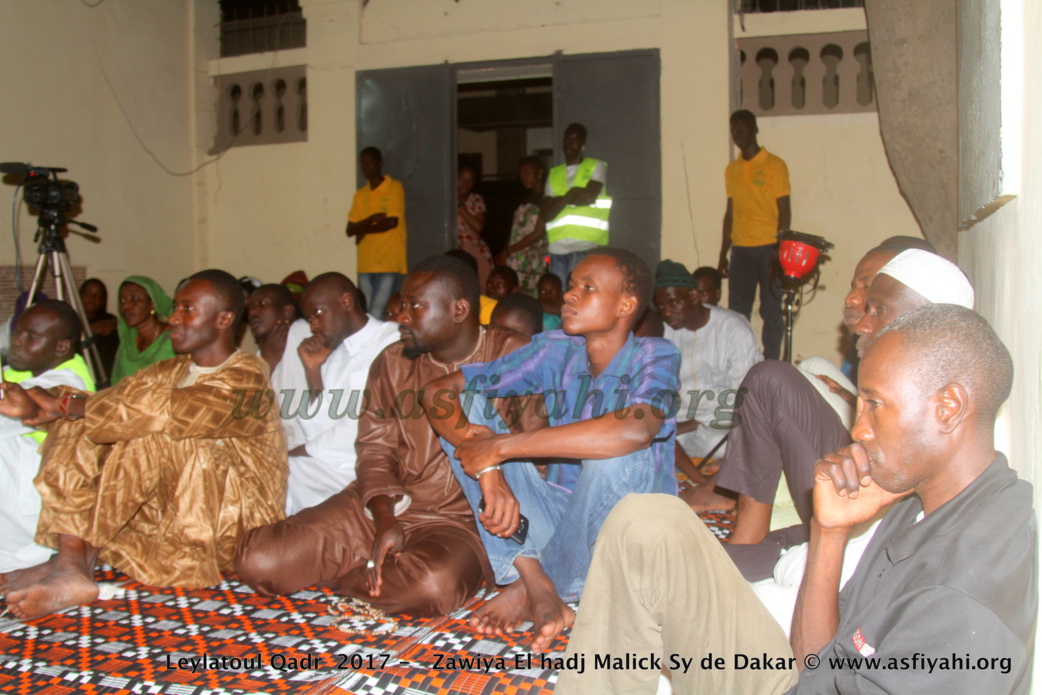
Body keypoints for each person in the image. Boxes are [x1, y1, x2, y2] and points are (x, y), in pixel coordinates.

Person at [559, 304, 1036, 695]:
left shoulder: (961, 597)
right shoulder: (923, 499)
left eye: (874, 404)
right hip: (801, 682)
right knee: (647, 522)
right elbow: (815, 662)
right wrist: (830, 532)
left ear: (948, 407)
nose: (859, 428)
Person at [234, 255, 530, 617]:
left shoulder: (514, 356)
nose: (401, 317)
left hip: (461, 521)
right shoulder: (393, 361)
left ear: (459, 309)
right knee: (258, 560)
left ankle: (355, 573)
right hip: (382, 504)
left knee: (432, 585)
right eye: (402, 305)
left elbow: (539, 459)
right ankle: (372, 570)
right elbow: (374, 449)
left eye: (414, 306)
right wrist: (384, 516)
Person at [422, 248, 680, 651]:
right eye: (571, 284)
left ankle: (535, 587)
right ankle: (541, 582)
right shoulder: (558, 349)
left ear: (626, 305)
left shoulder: (656, 355)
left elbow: (636, 431)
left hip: (628, 539)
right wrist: (490, 473)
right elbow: (438, 392)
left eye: (587, 288)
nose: (569, 295)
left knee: (618, 453)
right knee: (468, 405)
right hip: (556, 520)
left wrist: (501, 447)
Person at [0, 270, 287, 619]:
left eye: (187, 309)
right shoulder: (169, 371)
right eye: (176, 308)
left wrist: (65, 406)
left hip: (228, 529)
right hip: (166, 518)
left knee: (151, 425)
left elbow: (165, 410)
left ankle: (71, 564)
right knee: (87, 421)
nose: (173, 318)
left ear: (224, 319)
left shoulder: (248, 375)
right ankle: (71, 565)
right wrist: (39, 402)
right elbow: (108, 401)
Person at [719, 244, 973, 581]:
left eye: (876, 303)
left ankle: (755, 549)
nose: (859, 311)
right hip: (837, 527)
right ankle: (752, 547)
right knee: (693, 562)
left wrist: (810, 557)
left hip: (856, 550)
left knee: (771, 379)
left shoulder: (937, 409)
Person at [284, 273, 399, 513]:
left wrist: (302, 451)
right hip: (334, 465)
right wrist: (313, 370)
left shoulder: (391, 341)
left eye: (317, 313)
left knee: (281, 471)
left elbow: (363, 426)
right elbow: (317, 427)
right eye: (308, 318)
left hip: (375, 468)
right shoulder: (336, 353)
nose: (313, 325)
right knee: (274, 472)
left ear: (346, 302)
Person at [653, 260, 761, 511]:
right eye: (660, 307)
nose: (667, 313)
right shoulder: (667, 331)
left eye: (673, 303)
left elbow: (746, 397)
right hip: (679, 429)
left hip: (719, 429)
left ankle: (712, 479)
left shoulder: (732, 328)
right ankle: (704, 478)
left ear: (693, 295)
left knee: (756, 442)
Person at [0, 301, 95, 573]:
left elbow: (8, 414)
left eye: (31, 337)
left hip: (39, 506)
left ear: (61, 347)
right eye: (17, 332)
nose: (17, 342)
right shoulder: (31, 368)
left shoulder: (68, 380)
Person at [718, 109, 791, 360]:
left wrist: (780, 250)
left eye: (742, 129)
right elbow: (730, 213)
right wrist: (722, 254)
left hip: (768, 248)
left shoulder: (775, 165)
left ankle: (771, 363)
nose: (738, 135)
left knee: (771, 310)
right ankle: (741, 362)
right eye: (734, 131)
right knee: (737, 313)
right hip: (741, 249)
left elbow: (784, 210)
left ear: (755, 129)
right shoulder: (732, 170)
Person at [541, 123, 611, 287]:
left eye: (574, 139)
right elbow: (546, 214)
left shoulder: (596, 166)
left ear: (582, 144)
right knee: (559, 298)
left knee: (580, 295)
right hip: (557, 248)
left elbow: (588, 197)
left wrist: (558, 200)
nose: (569, 143)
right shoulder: (554, 173)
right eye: (567, 139)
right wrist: (571, 193)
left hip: (585, 245)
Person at [247, 283, 311, 458]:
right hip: (282, 452)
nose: (252, 312)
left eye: (262, 304)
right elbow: (250, 416)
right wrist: (270, 362)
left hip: (313, 451)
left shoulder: (306, 333)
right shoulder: (262, 354)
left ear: (287, 311)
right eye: (250, 307)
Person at [346, 146, 408, 320]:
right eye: (362, 163)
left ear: (379, 163)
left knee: (378, 310)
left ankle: (375, 347)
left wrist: (364, 229)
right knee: (366, 311)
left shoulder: (394, 187)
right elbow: (350, 229)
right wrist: (372, 218)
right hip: (366, 263)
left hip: (388, 261)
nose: (365, 166)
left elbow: (391, 222)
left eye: (369, 162)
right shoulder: (361, 195)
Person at [111, 276, 174, 384]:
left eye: (135, 298)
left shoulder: (171, 341)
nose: (126, 305)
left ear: (152, 304)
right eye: (122, 301)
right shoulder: (128, 344)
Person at [504, 155, 548, 295]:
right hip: (517, 257)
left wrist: (509, 251)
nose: (524, 176)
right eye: (521, 173)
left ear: (539, 173)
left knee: (529, 297)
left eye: (527, 172)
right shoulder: (527, 198)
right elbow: (516, 230)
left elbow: (538, 233)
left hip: (531, 259)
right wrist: (505, 250)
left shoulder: (546, 198)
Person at [456, 164, 493, 290]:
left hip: (474, 248)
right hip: (454, 248)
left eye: (470, 180)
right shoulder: (445, 197)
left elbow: (478, 227)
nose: (466, 183)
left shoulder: (476, 199)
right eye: (462, 178)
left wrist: (460, 206)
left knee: (482, 284)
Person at [78, 278, 119, 380]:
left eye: (98, 295)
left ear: (104, 300)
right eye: (87, 294)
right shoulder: (69, 320)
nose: (92, 298)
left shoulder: (111, 321)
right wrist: (90, 329)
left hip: (105, 378)